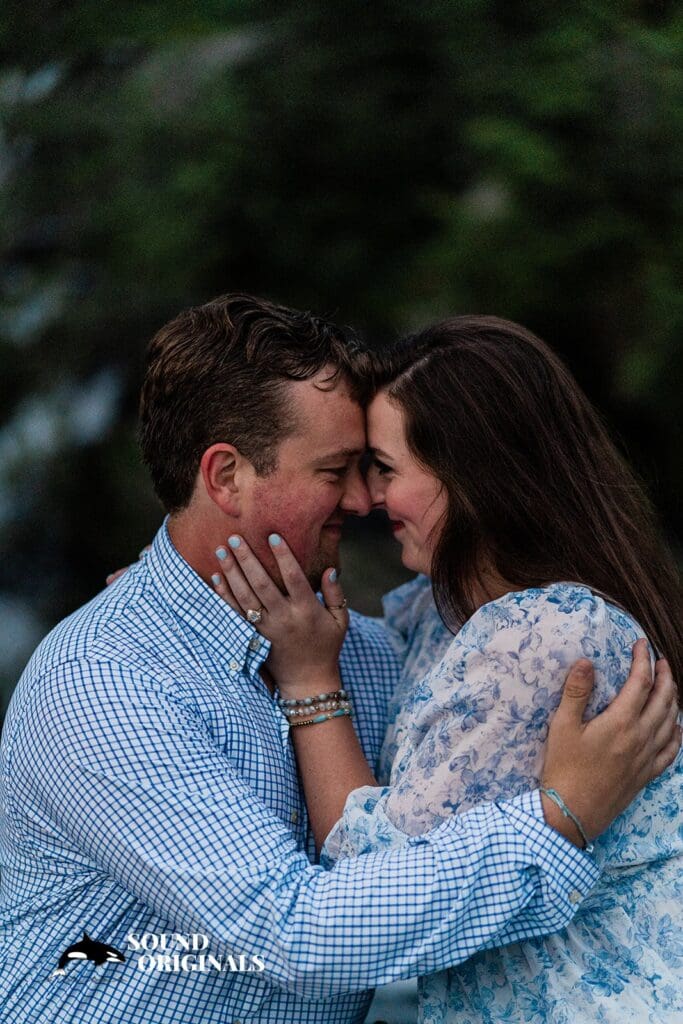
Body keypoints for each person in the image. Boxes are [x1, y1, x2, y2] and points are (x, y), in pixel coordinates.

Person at [0, 297, 677, 1024]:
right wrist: (556, 821)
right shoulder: (106, 681)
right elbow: (293, 934)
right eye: (338, 469)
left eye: (374, 466)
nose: (362, 500)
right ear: (225, 478)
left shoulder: (372, 655)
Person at [213, 314, 683, 1022]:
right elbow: (356, 636)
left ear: (469, 475)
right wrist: (190, 600)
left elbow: (376, 886)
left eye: (385, 470)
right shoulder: (444, 614)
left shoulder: (545, 638)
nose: (367, 500)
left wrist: (311, 682)